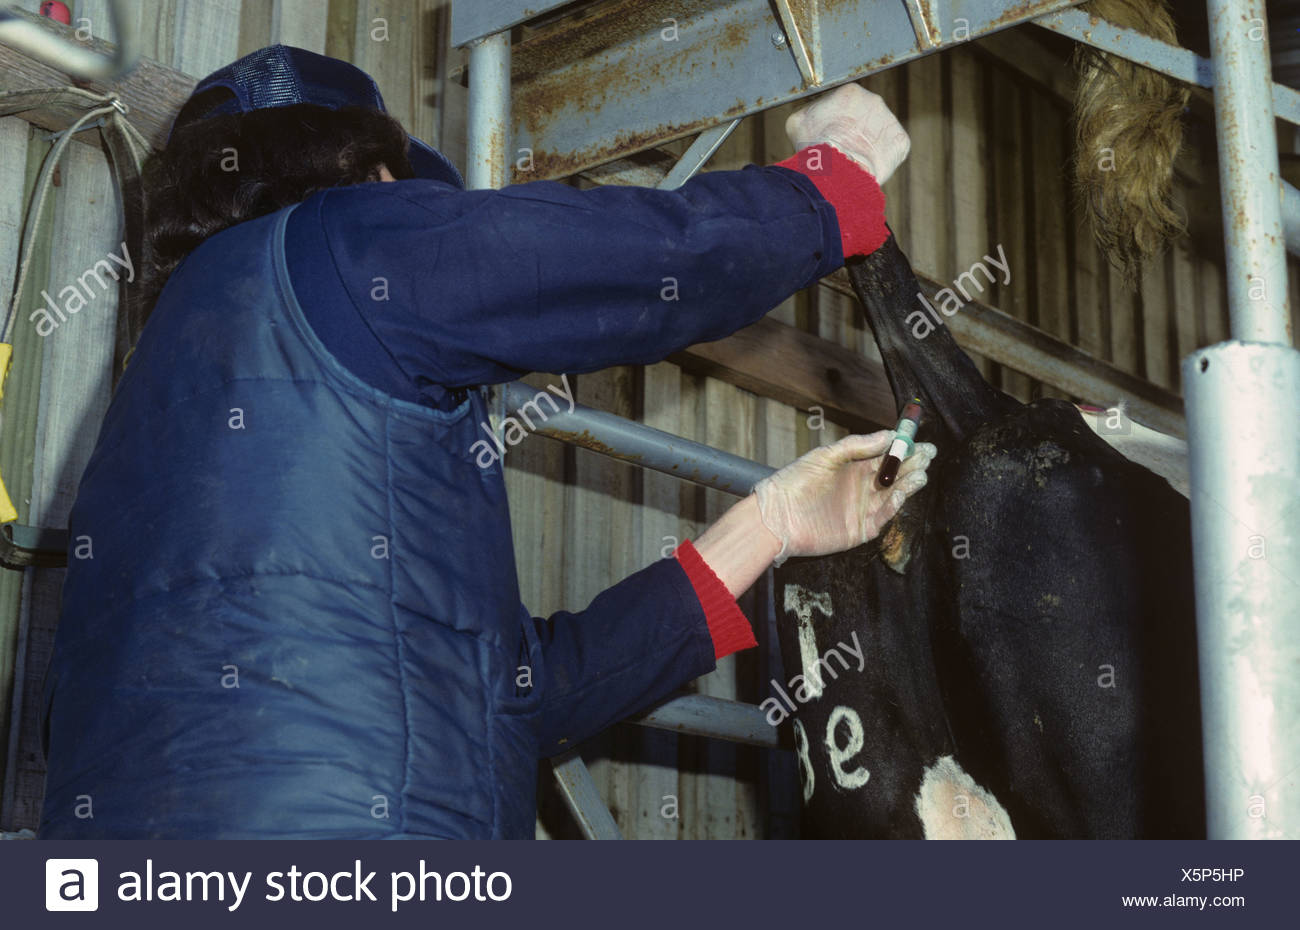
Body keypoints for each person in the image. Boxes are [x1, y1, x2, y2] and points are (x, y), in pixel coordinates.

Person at [37, 46, 935, 839]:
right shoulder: (340, 248)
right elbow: (634, 261)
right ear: (361, 172)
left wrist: (770, 525)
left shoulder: (136, 428)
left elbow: (513, 695)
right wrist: (827, 188)